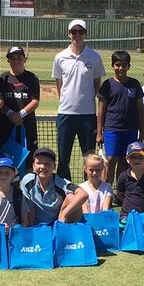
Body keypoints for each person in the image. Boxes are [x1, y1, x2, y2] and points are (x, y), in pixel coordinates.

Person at [52, 19, 106, 180]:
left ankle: (88, 193)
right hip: (65, 114)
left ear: (85, 34)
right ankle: (65, 193)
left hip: (88, 115)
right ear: (69, 34)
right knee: (63, 158)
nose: (77, 35)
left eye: (80, 32)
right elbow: (59, 85)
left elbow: (97, 85)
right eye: (73, 32)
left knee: (89, 158)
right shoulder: (60, 57)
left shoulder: (94, 57)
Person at [95, 49, 144, 183]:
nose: (121, 68)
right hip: (112, 129)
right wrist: (99, 133)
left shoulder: (134, 84)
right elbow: (101, 111)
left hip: (130, 129)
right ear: (113, 66)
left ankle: (121, 192)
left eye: (124, 65)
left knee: (125, 160)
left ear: (129, 66)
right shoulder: (107, 85)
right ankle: (107, 192)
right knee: (110, 160)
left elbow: (140, 109)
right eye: (118, 65)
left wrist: (142, 131)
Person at [20, 147, 88, 225]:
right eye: (39, 163)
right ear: (33, 166)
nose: (42, 167)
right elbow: (30, 210)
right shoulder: (27, 181)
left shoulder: (60, 183)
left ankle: (68, 232)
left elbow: (83, 194)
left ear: (54, 166)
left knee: (71, 197)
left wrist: (63, 214)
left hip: (58, 223)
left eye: (47, 164)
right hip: (37, 226)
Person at [0, 46, 41, 161]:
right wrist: (10, 114)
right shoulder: (3, 78)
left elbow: (35, 101)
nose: (16, 61)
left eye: (19, 58)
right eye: (12, 58)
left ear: (24, 59)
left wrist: (20, 115)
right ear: (8, 61)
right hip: (7, 127)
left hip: (27, 126)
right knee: (7, 161)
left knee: (29, 161)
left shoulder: (32, 78)